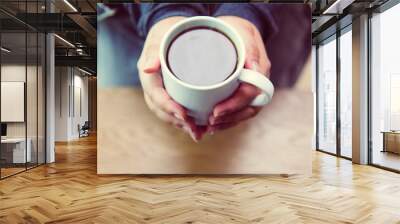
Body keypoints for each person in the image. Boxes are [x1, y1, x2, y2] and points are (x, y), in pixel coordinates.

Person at [98, 3, 311, 141]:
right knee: (129, 121)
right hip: (128, 18)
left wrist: (250, 10)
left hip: (276, 17)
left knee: (268, 113)